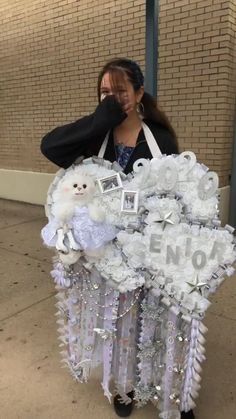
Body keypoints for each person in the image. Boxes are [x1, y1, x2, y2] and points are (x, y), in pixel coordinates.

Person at [41, 58, 194, 419]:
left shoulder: (160, 139)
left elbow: (179, 195)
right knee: (119, 323)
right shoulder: (96, 136)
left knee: (156, 321)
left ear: (139, 93)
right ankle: (124, 386)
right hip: (108, 255)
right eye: (104, 92)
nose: (111, 99)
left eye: (120, 92)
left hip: (150, 251)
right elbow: (51, 147)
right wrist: (102, 118)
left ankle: (167, 391)